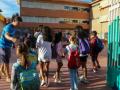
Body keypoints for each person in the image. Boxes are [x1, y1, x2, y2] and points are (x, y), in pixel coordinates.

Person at [0, 14, 22, 82]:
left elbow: (12, 37)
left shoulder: (14, 28)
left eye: (20, 23)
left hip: (8, 46)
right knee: (7, 62)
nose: (19, 24)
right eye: (18, 22)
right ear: (14, 21)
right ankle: (8, 76)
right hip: (3, 46)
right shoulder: (8, 27)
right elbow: (6, 35)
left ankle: (1, 70)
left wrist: (14, 43)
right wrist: (12, 38)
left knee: (5, 60)